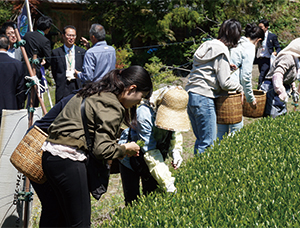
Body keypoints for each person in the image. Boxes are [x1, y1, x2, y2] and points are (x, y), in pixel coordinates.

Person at [41, 65, 153, 227]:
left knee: (57, 219)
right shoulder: (112, 104)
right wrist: (126, 149)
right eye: (140, 97)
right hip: (69, 159)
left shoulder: (94, 92)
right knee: (80, 223)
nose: (139, 102)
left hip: (50, 156)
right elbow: (102, 149)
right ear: (131, 89)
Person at [118, 86, 190, 205]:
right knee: (132, 201)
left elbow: (174, 131)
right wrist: (167, 182)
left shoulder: (174, 107)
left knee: (152, 196)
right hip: (132, 157)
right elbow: (150, 151)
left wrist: (176, 151)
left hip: (154, 156)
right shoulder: (144, 113)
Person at [185, 19, 243, 155]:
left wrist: (226, 67)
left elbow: (206, 70)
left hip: (191, 95)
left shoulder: (207, 45)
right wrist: (240, 88)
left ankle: (194, 172)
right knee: (208, 143)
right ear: (235, 35)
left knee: (201, 140)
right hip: (204, 98)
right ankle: (201, 175)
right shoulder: (222, 50)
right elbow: (225, 83)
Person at [217, 24, 265, 140]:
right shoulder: (249, 48)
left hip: (221, 84)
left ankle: (218, 154)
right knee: (236, 127)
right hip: (233, 88)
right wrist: (250, 98)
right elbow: (246, 77)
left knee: (221, 126)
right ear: (258, 40)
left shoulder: (237, 42)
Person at [260, 38, 300, 118]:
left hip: (281, 88)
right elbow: (277, 74)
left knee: (281, 115)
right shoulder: (287, 57)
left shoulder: (296, 60)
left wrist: (294, 91)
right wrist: (280, 91)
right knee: (273, 116)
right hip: (272, 87)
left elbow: (289, 76)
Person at [51, 25, 86, 103]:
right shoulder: (56, 52)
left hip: (77, 85)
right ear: (63, 36)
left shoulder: (81, 52)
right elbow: (54, 71)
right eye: (69, 35)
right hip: (63, 86)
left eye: (73, 36)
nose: (71, 38)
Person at [24, 16, 52, 107]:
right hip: (36, 70)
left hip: (23, 67)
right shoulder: (45, 41)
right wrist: (45, 65)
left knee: (21, 94)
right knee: (34, 97)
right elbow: (49, 58)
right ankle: (33, 115)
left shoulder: (27, 35)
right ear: (48, 28)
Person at [0, 35, 26, 125]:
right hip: (10, 105)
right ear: (8, 47)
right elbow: (21, 88)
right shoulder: (17, 64)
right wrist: (20, 105)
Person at [256, 19, 281, 88]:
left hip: (267, 59)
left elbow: (278, 47)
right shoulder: (257, 36)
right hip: (259, 58)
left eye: (261, 27)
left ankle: (259, 88)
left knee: (262, 74)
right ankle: (266, 88)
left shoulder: (272, 36)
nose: (259, 29)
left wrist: (275, 52)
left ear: (266, 27)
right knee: (262, 73)